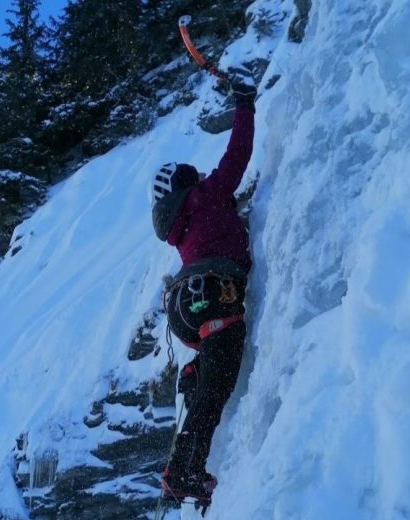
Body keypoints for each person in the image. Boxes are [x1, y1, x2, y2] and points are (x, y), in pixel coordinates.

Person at [150, 79, 256, 500]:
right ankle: (185, 470)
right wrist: (244, 106)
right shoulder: (204, 196)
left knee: (212, 366)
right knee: (223, 370)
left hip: (185, 306)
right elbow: (237, 157)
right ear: (184, 183)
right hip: (212, 291)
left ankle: (192, 380)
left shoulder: (179, 227)